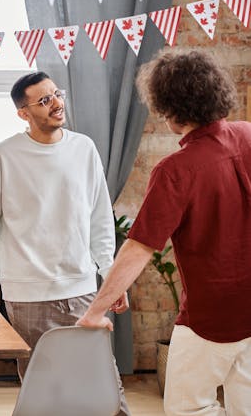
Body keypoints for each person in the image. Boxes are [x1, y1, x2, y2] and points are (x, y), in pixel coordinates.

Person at [78, 50, 251, 415]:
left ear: (169, 107)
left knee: (187, 408)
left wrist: (96, 309)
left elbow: (139, 247)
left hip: (211, 319)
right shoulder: (248, 135)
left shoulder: (176, 169)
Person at [0, 71, 130, 415]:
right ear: (23, 113)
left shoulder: (84, 148)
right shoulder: (5, 155)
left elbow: (99, 219)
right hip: (27, 294)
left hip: (81, 289)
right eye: (44, 100)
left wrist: (111, 276)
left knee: (103, 385)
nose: (57, 104)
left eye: (57, 94)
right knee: (45, 392)